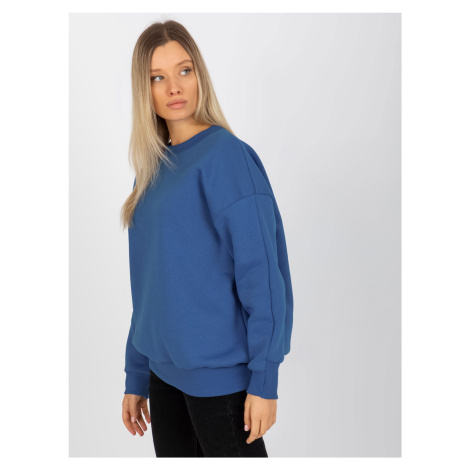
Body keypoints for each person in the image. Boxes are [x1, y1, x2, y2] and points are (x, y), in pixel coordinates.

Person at [120, 20, 294, 458]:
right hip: (163, 378)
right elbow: (148, 287)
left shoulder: (227, 158)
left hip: (221, 381)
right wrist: (136, 372)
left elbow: (262, 277)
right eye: (157, 77)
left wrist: (264, 380)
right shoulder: (151, 172)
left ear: (200, 74)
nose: (174, 87)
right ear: (144, 90)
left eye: (184, 70)